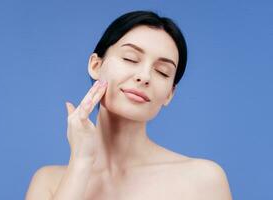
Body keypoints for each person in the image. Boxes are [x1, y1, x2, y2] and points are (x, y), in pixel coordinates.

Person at [25, 10, 233, 200]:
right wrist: (81, 161)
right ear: (96, 65)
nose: (144, 76)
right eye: (130, 58)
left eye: (162, 72)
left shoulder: (203, 180)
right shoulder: (48, 182)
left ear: (169, 93)